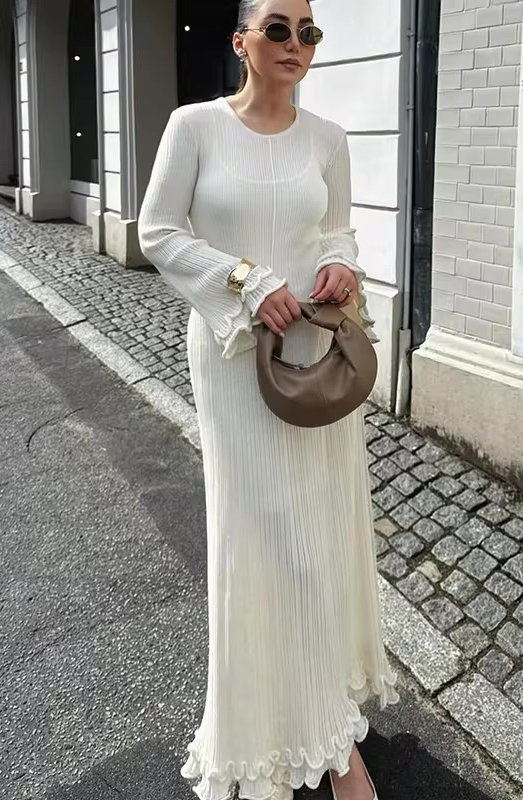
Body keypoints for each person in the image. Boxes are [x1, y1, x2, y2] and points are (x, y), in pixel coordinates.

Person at [138, 1, 399, 797]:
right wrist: (246, 280)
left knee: (317, 536)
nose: (295, 44)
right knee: (260, 539)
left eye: (308, 32)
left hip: (315, 358)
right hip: (233, 360)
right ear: (241, 42)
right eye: (278, 29)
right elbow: (157, 232)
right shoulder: (193, 127)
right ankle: (299, 739)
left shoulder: (328, 139)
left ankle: (329, 726)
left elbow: (338, 232)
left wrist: (342, 265)